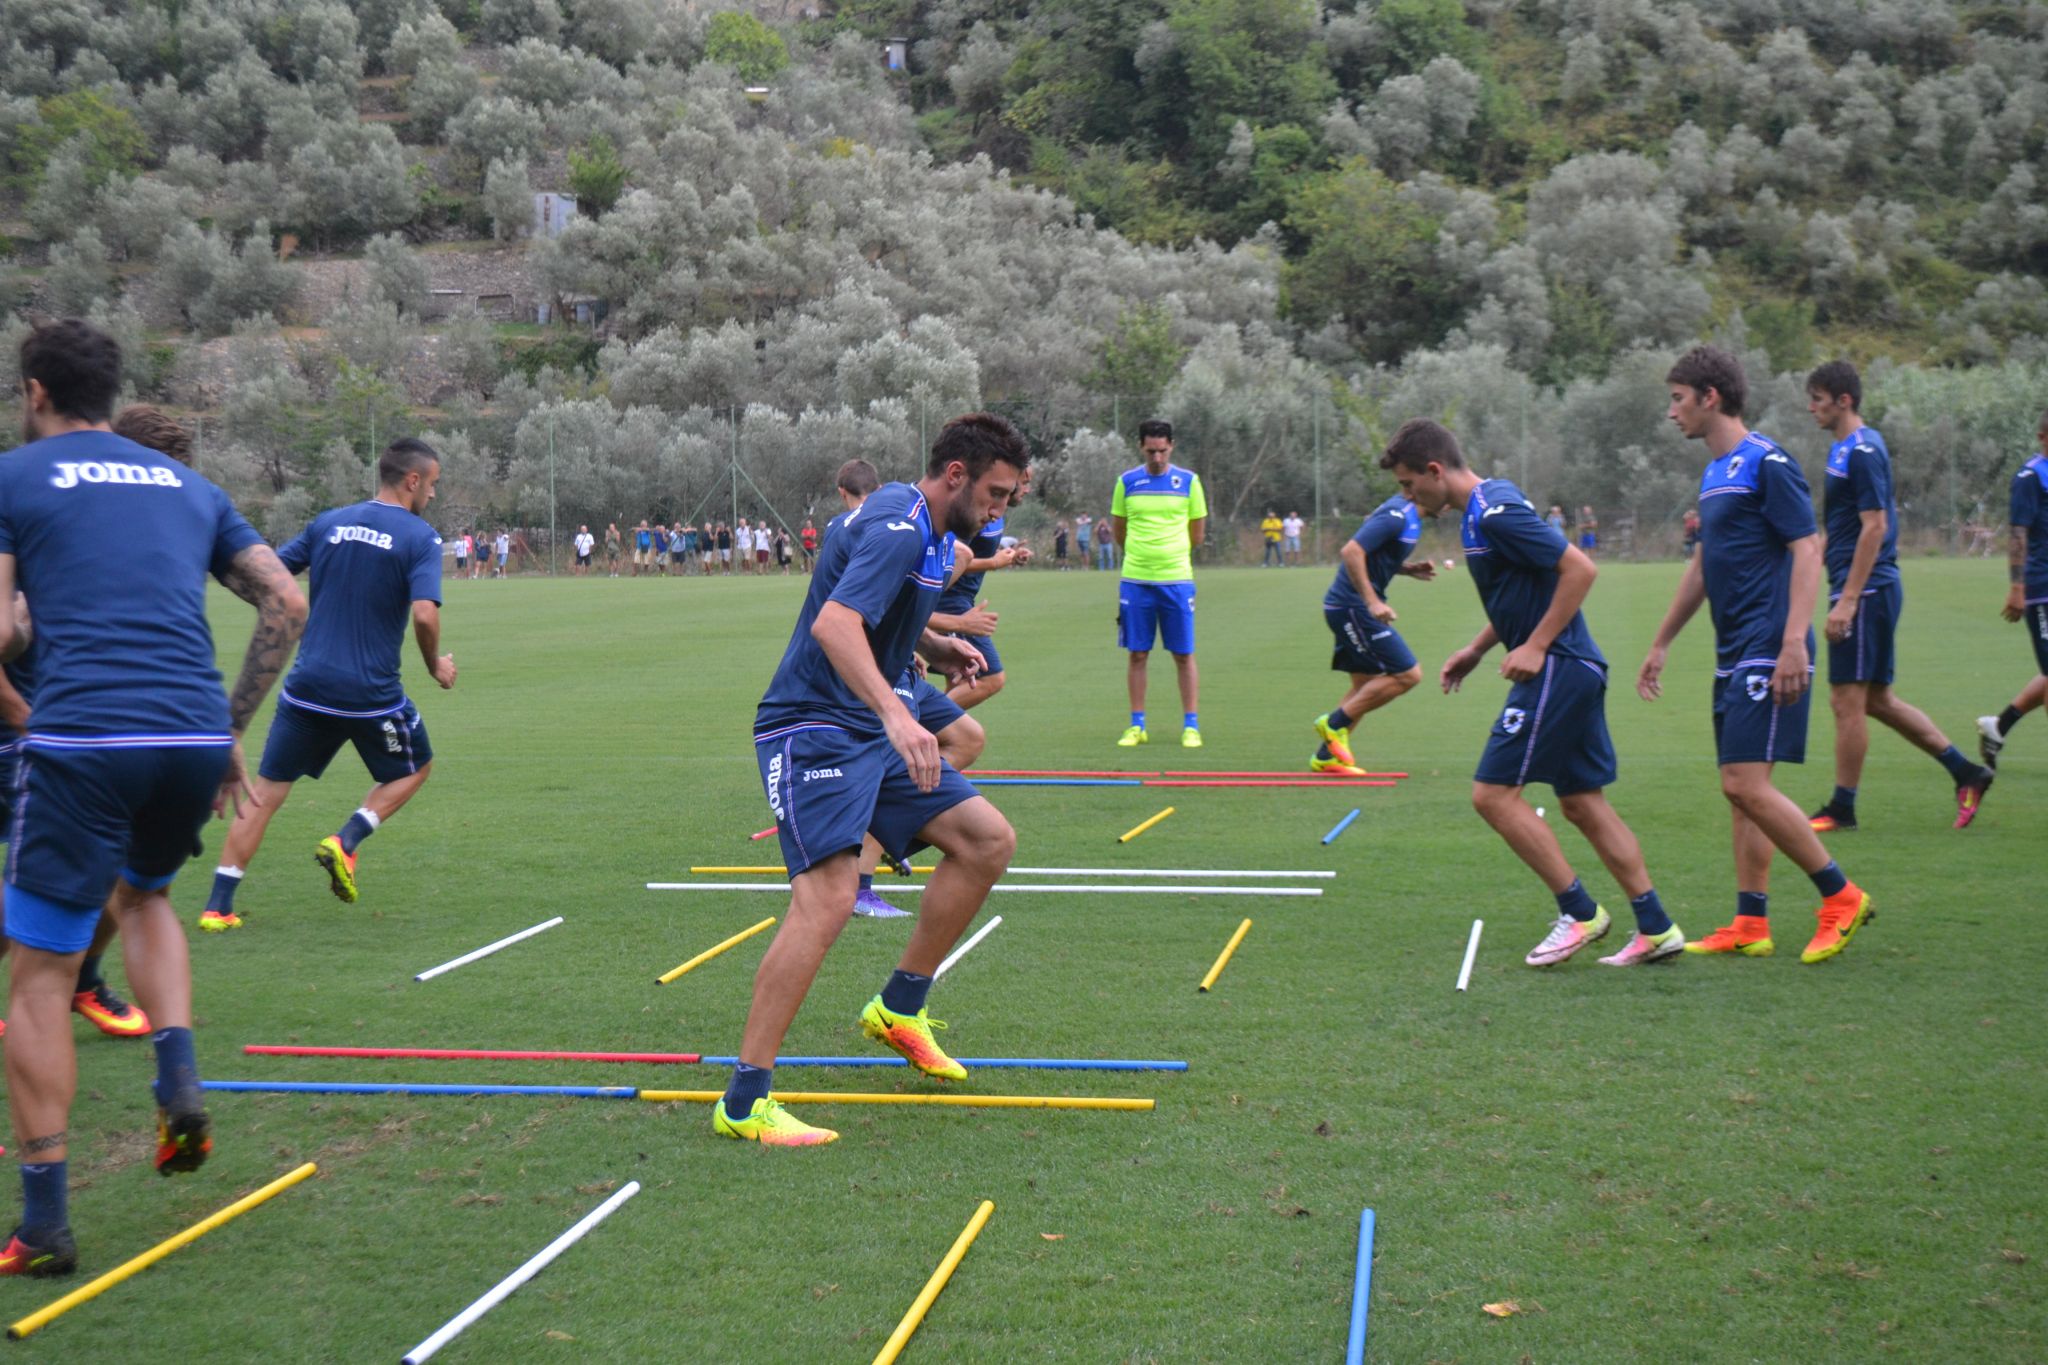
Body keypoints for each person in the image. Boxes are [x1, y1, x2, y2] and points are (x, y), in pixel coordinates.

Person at [0, 319, 306, 1273]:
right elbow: (286, 603)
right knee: (147, 895)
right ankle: (178, 1073)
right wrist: (228, 726)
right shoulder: (191, 485)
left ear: (37, 391)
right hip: (187, 734)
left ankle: (45, 1223)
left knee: (41, 975)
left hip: (85, 734)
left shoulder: (15, 476)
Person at [721, 414, 1027, 1146]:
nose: (999, 511)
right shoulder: (898, 521)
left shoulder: (925, 530)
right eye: (994, 493)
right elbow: (835, 623)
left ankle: (899, 1007)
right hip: (814, 726)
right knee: (826, 901)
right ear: (956, 475)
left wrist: (937, 642)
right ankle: (744, 1100)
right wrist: (898, 715)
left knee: (987, 841)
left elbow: (881, 609)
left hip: (863, 722)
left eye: (1009, 497)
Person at [1382, 420, 1685, 967]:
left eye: (1408, 485)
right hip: (1575, 668)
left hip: (1559, 669)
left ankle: (1581, 913)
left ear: (1434, 470)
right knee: (1582, 803)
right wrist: (1478, 648)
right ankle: (1657, 928)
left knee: (1493, 795)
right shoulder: (1486, 509)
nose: (1408, 497)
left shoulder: (1495, 512)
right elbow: (1525, 590)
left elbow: (1579, 568)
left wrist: (1537, 646)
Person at [1638, 346, 1873, 965]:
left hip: (1768, 647)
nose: (1671, 413)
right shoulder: (1716, 472)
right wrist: (1662, 641)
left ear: (1710, 397)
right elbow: (1702, 566)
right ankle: (1750, 922)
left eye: (1678, 398)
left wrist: (1793, 642)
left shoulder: (1767, 462)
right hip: (1732, 648)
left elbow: (1807, 549)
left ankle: (1841, 897)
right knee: (1740, 790)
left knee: (1745, 782)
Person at [200, 438, 456, 931]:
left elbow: (270, 574)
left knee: (268, 792)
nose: (434, 495)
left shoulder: (329, 522)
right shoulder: (421, 538)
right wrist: (433, 666)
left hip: (306, 687)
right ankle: (347, 840)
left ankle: (217, 906)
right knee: (416, 766)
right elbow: (425, 614)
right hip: (370, 695)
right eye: (434, 484)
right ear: (413, 480)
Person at [1802, 361, 1993, 833]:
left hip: (1865, 591)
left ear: (1844, 400)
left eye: (1818, 399)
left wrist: (1847, 599)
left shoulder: (1864, 450)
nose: (1812, 408)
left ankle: (1842, 808)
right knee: (1878, 700)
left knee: (1847, 700)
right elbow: (1845, 524)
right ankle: (1966, 772)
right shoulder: (1843, 450)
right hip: (1862, 587)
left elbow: (1876, 526)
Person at [1309, 491, 1434, 777]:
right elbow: (1352, 551)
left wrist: (1408, 569)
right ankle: (1334, 724)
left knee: (1364, 685)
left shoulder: (1409, 517)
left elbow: (1376, 554)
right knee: (1408, 674)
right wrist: (1372, 601)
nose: (1451, 502)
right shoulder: (1397, 515)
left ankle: (1326, 758)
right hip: (1352, 607)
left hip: (1350, 607)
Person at [1112, 419, 1206, 747]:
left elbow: (1197, 534)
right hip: (1136, 580)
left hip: (1177, 580)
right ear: (1141, 447)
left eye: (1163, 450)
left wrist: (1170, 557)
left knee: (1183, 654)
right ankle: (1137, 725)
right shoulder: (1127, 482)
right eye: (1151, 451)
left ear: (1172, 446)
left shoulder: (1189, 483)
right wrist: (1141, 557)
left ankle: (1190, 725)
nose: (1157, 457)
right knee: (1137, 654)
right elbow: (1119, 530)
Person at [1978, 408, 2048, 773]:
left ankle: (1999, 726)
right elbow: (2018, 533)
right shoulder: (2030, 477)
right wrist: (2017, 586)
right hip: (2042, 588)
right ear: (2042, 437)